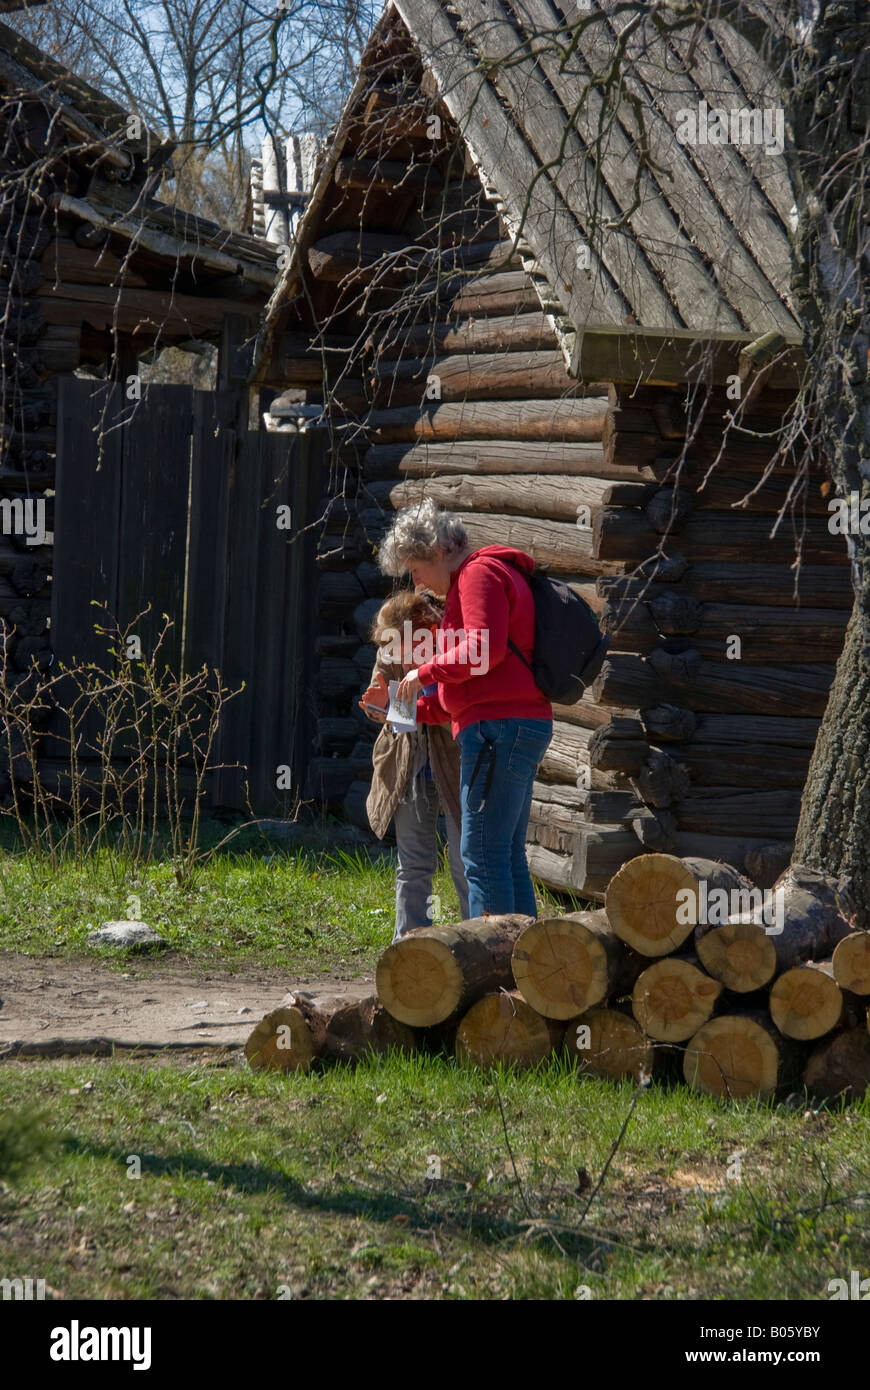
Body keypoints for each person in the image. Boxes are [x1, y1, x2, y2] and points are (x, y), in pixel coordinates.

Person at [378, 499, 553, 920]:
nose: (417, 583)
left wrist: (423, 671)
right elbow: (468, 689)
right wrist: (407, 707)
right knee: (505, 854)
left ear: (436, 551)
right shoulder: (474, 579)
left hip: (497, 731)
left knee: (482, 854)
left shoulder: (477, 574)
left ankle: (493, 970)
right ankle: (525, 965)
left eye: (416, 570)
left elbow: (483, 652)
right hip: (506, 723)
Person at [359, 588, 469, 942]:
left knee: (464, 864)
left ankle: (479, 944)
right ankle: (406, 948)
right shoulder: (389, 652)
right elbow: (395, 718)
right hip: (410, 762)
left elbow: (450, 715)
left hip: (454, 761)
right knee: (413, 865)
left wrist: (394, 706)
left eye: (395, 643)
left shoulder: (450, 647)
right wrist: (380, 709)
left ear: (421, 631)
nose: (390, 652)